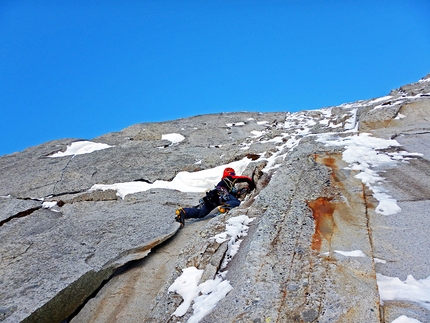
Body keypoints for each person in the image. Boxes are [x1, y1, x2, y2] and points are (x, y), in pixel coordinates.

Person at [175, 167, 255, 227]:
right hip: (221, 195)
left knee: (201, 213)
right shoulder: (228, 179)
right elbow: (242, 179)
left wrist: (241, 191)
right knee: (237, 202)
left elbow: (233, 194)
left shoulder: (225, 184)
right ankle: (225, 208)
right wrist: (250, 181)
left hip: (212, 198)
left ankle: (184, 212)